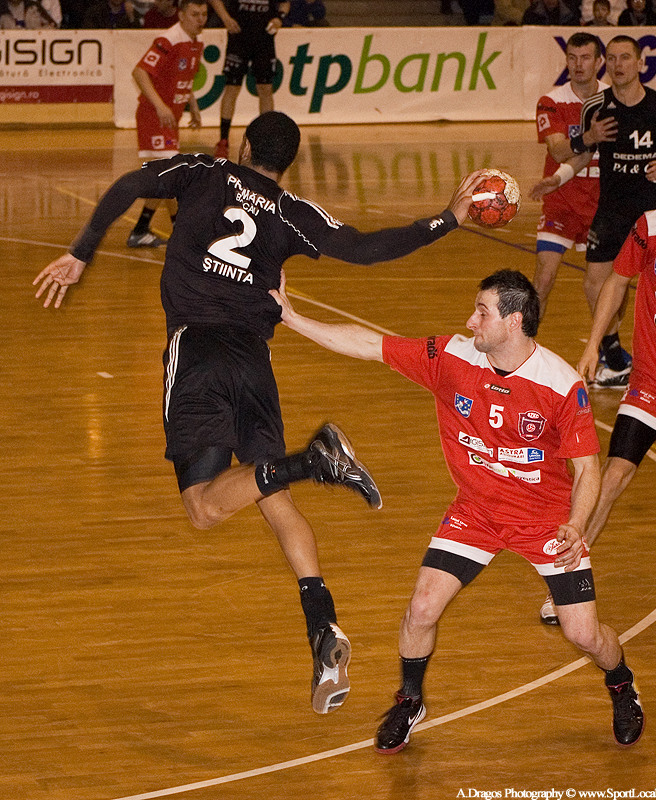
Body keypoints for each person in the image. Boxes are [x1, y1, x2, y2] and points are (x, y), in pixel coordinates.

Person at [33, 111, 486, 716]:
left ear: (245, 145)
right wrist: (448, 218)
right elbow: (366, 248)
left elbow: (130, 185)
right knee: (270, 496)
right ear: (287, 162)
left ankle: (313, 461)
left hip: (197, 351)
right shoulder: (292, 212)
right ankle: (323, 628)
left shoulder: (204, 171)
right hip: (254, 364)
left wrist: (82, 251)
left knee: (203, 508)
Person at [270, 267, 644, 752]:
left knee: (584, 635)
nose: (470, 321)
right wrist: (293, 318)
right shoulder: (451, 357)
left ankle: (621, 683)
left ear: (513, 321)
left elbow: (588, 470)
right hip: (477, 513)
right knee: (421, 608)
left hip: (546, 524)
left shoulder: (560, 385)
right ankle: (410, 700)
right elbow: (370, 344)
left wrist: (575, 524)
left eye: (482, 312)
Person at [531, 35, 656, 389]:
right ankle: (609, 353)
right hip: (612, 210)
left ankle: (644, 358)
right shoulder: (596, 107)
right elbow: (582, 153)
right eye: (613, 58)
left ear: (641, 64)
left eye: (625, 58)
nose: (618, 64)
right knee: (595, 282)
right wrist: (557, 178)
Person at [576, 206, 656, 551]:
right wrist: (594, 345)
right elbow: (616, 281)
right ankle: (572, 567)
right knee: (615, 474)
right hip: (654, 379)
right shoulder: (654, 225)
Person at [533, 32, 607, 319]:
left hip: (603, 205)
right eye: (572, 58)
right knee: (544, 277)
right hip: (561, 200)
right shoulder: (552, 101)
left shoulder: (612, 100)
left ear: (598, 62)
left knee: (604, 286)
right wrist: (589, 136)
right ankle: (524, 343)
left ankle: (608, 343)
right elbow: (558, 151)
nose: (578, 65)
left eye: (585, 58)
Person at [128, 0, 207, 248]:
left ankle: (141, 229)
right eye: (195, 14)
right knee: (172, 174)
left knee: (165, 177)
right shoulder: (169, 39)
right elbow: (139, 72)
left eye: (204, 14)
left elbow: (183, 77)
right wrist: (161, 106)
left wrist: (193, 105)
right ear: (181, 15)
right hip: (154, 117)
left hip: (171, 119)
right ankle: (180, 232)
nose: (201, 19)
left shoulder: (196, 41)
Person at [208, 0, 289, 159]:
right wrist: (225, 17)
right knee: (232, 87)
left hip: (264, 38)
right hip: (238, 37)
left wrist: (279, 18)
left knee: (265, 88)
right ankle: (223, 140)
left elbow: (285, 3)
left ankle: (267, 140)